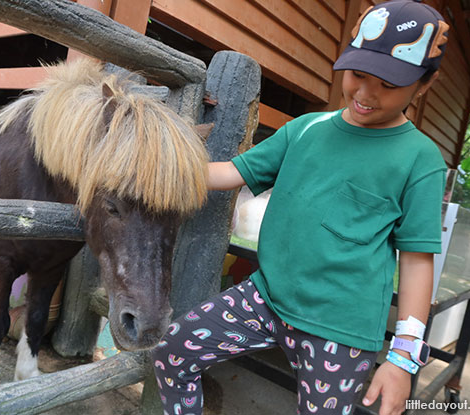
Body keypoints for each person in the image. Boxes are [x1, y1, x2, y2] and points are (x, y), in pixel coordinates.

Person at [151, 1, 450, 414]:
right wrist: (149, 164)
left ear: (424, 85)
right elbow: (228, 174)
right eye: (358, 75)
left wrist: (402, 358)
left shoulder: (420, 160)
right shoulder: (305, 129)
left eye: (387, 83)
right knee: (172, 354)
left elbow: (417, 260)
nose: (365, 93)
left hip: (340, 329)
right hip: (266, 298)